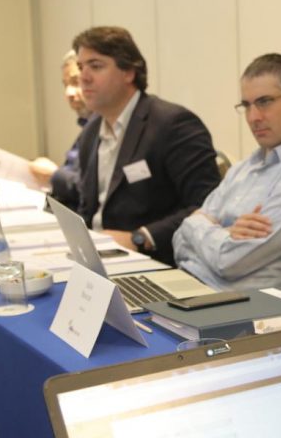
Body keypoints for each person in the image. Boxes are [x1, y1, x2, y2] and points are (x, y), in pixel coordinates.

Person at [172, 54, 281, 293]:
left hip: (234, 306)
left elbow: (229, 262)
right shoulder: (245, 167)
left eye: (264, 102)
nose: (253, 117)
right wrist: (222, 234)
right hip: (187, 286)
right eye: (246, 105)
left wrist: (196, 223)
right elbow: (178, 242)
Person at [73, 26, 220, 265]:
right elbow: (88, 207)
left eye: (96, 66)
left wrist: (141, 237)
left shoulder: (174, 125)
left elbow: (207, 205)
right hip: (98, 259)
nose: (84, 77)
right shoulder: (91, 131)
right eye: (81, 67)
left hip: (154, 260)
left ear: (129, 72)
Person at [29, 50, 93, 208]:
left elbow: (89, 190)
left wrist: (53, 174)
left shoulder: (108, 129)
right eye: (65, 85)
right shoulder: (87, 128)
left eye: (75, 82)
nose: (68, 93)